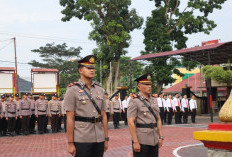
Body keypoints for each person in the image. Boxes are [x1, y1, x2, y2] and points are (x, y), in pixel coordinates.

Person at [63, 55, 108, 157]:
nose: (92, 70)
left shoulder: (99, 89)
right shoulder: (72, 90)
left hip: (99, 137)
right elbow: (70, 118)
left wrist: (106, 138)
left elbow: (104, 115)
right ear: (80, 70)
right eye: (88, 68)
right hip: (82, 137)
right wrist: (70, 143)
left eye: (93, 68)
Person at [127, 74, 163, 157]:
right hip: (142, 140)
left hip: (154, 138)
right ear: (139, 87)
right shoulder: (134, 101)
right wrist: (135, 141)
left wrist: (161, 137)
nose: (149, 86)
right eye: (146, 85)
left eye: (150, 84)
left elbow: (158, 119)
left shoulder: (154, 100)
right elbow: (130, 122)